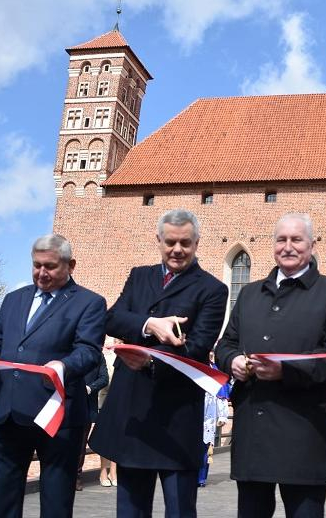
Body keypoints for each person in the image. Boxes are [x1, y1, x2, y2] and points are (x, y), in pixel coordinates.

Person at [215, 212, 326, 518]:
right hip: (254, 428)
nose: (288, 247)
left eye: (297, 240)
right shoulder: (250, 294)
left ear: (312, 245)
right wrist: (233, 361)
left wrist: (287, 371)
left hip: (304, 431)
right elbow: (225, 344)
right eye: (281, 239)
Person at [89, 209, 228, 518]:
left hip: (177, 414)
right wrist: (151, 324)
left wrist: (150, 361)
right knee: (131, 509)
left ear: (196, 243)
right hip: (133, 410)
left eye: (185, 243)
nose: (177, 250)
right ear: (159, 241)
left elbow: (199, 348)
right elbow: (112, 317)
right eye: (170, 242)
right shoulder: (140, 275)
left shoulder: (212, 289)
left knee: (179, 508)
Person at [0, 234, 106, 518]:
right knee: (1, 500)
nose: (41, 273)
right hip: (10, 411)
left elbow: (88, 351)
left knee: (56, 502)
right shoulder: (13, 299)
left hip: (58, 417)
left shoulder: (90, 303)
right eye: (36, 266)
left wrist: (63, 367)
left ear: (70, 265)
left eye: (50, 266)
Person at [76, 352, 108, 490]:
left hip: (87, 407)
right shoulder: (70, 349)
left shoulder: (98, 356)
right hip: (66, 405)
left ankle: (76, 477)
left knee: (81, 445)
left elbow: (104, 378)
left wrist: (89, 388)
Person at [198, 351, 229, 487]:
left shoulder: (214, 370)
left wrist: (222, 415)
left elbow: (221, 392)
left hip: (208, 415)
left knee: (205, 448)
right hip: (193, 412)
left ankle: (201, 478)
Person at [97, 336, 119, 487]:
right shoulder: (100, 355)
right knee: (104, 436)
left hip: (118, 400)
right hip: (102, 399)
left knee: (117, 437)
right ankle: (103, 472)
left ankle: (114, 471)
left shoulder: (120, 355)